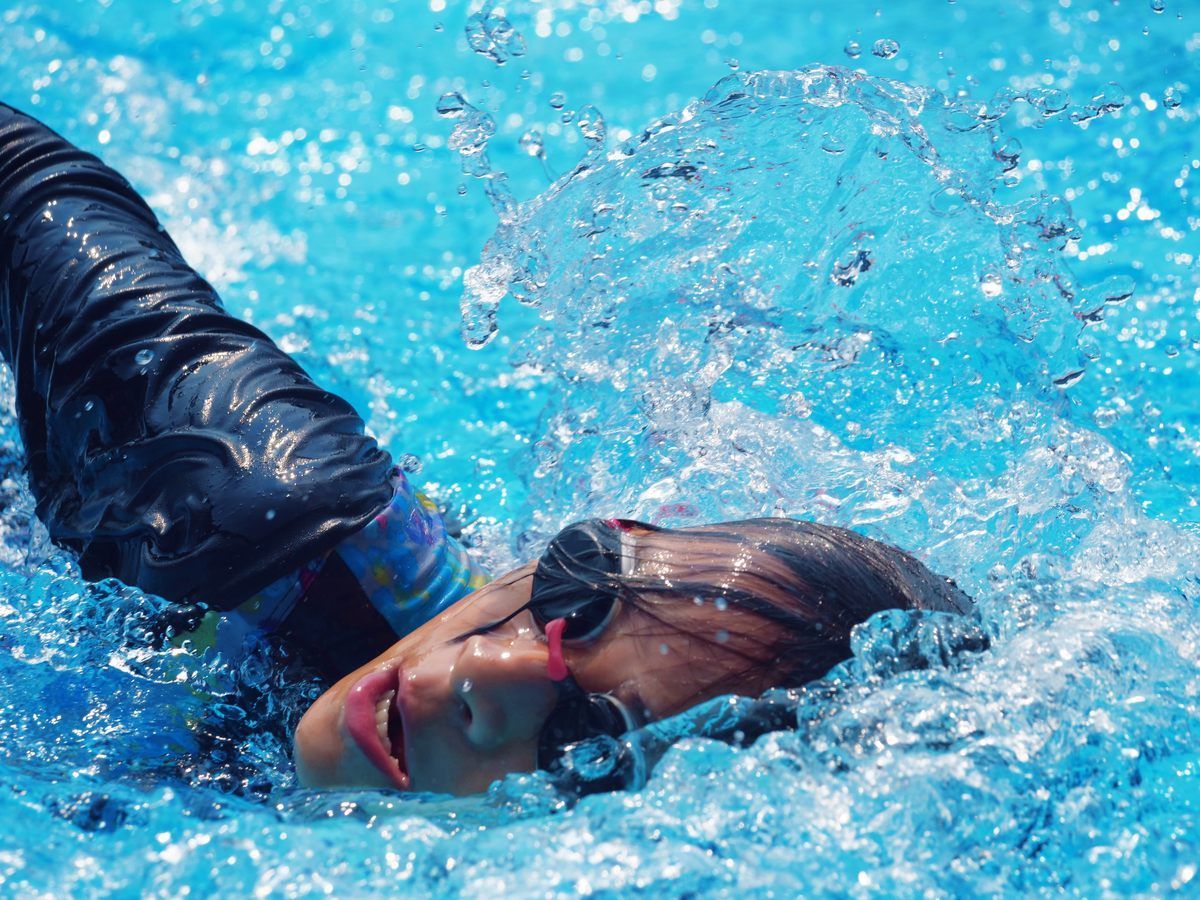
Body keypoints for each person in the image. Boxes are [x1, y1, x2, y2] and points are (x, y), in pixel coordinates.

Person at [0, 103, 974, 797]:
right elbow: (27, 188)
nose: (486, 673)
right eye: (578, 591)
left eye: (589, 740)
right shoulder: (272, 510)